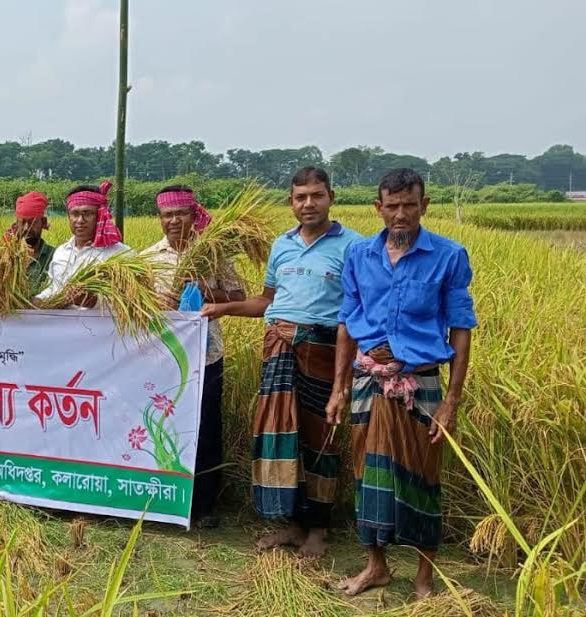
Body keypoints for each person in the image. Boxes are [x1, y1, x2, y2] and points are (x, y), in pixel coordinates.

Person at [327, 168, 476, 598]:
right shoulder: (359, 255)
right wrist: (339, 388)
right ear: (378, 208)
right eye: (391, 206)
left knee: (422, 478)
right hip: (367, 382)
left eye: (410, 205)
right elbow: (347, 325)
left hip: (419, 385)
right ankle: (376, 567)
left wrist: (451, 401)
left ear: (424, 206)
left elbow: (461, 328)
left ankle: (424, 578)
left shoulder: (449, 256)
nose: (401, 215)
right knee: (367, 475)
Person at [202, 168, 362, 554]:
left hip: (324, 350)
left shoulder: (355, 246)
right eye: (301, 197)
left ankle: (319, 530)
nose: (309, 204)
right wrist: (224, 307)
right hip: (279, 350)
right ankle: (292, 525)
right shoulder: (282, 246)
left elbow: (357, 312)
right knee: (282, 437)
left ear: (331, 197)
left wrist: (344, 379)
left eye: (316, 196)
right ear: (291, 202)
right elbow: (267, 301)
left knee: (319, 438)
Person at [143, 185, 245, 526]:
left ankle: (203, 506)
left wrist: (204, 289)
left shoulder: (212, 254)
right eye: (167, 215)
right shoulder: (148, 258)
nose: (173, 221)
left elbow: (238, 294)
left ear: (194, 215)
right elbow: (137, 304)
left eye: (180, 214)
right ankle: (162, 497)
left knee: (205, 428)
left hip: (207, 357)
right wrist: (156, 304)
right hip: (162, 359)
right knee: (162, 426)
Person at [36, 182, 131, 307]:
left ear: (100, 215)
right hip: (61, 325)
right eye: (74, 214)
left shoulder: (120, 254)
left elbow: (131, 301)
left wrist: (94, 302)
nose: (80, 220)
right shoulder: (62, 252)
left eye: (87, 213)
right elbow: (55, 288)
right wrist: (39, 299)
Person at [8, 191, 55, 292]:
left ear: (43, 222)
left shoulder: (55, 256)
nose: (26, 228)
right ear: (16, 224)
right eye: (22, 222)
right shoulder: (5, 256)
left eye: (32, 223)